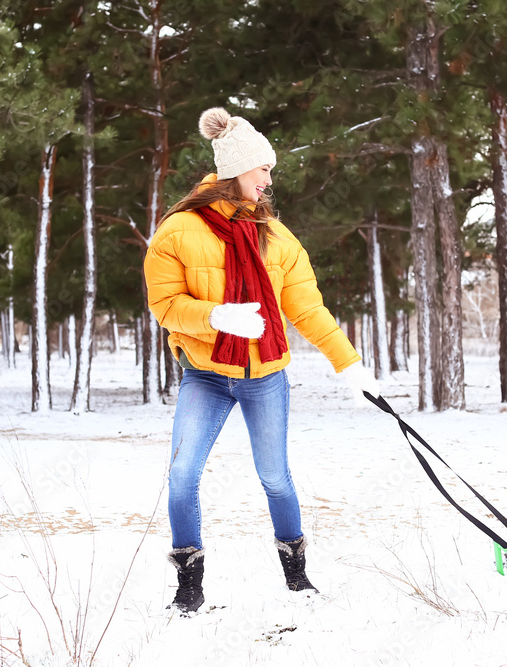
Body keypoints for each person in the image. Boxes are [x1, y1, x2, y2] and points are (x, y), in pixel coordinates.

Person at [144, 107, 380, 613]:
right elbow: (165, 306)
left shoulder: (277, 237)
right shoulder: (176, 231)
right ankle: (189, 585)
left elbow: (308, 309)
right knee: (182, 475)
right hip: (205, 376)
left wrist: (350, 366)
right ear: (236, 169)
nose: (269, 180)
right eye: (263, 169)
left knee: (275, 478)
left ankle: (296, 578)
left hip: (265, 378)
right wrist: (218, 317)